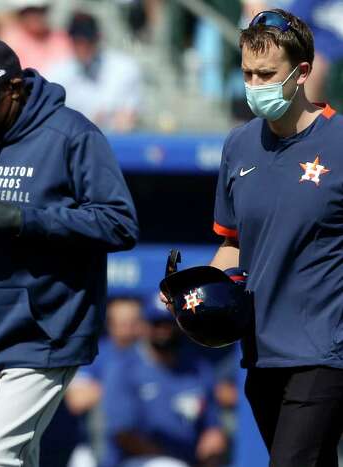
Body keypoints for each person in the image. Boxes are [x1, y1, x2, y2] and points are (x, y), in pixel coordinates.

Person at [0, 37, 139, 467]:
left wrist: (28, 219)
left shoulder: (70, 134)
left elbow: (120, 223)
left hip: (42, 330)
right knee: (17, 461)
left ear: (13, 88)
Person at [186, 8, 343, 466]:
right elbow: (231, 242)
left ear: (302, 72)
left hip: (325, 351)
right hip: (261, 353)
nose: (255, 86)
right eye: (247, 74)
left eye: (266, 74)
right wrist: (193, 292)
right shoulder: (238, 145)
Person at [101, 303, 227, 467]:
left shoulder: (197, 368)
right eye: (156, 324)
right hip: (134, 460)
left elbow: (212, 426)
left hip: (188, 459)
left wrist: (213, 440)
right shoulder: (125, 368)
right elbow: (123, 434)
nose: (163, 330)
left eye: (169, 324)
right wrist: (167, 457)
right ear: (143, 326)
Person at [65, 296, 146, 467]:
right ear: (110, 324)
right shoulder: (96, 353)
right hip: (95, 445)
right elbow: (77, 400)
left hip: (142, 444)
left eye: (133, 322)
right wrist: (121, 388)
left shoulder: (150, 354)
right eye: (122, 323)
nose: (128, 329)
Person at [47, 12, 143, 132]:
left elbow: (129, 116)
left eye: (88, 39)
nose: (83, 46)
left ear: (98, 38)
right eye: (78, 41)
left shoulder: (125, 68)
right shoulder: (57, 73)